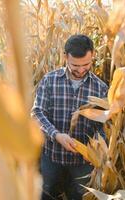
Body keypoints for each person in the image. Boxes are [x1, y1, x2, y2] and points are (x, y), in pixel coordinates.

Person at [31, 34, 108, 200]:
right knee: (46, 190)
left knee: (79, 195)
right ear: (65, 56)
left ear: (93, 55)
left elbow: (102, 125)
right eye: (75, 65)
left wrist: (97, 150)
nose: (80, 70)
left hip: (82, 162)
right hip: (52, 155)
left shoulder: (100, 88)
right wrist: (56, 135)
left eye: (86, 64)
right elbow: (37, 113)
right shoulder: (50, 81)